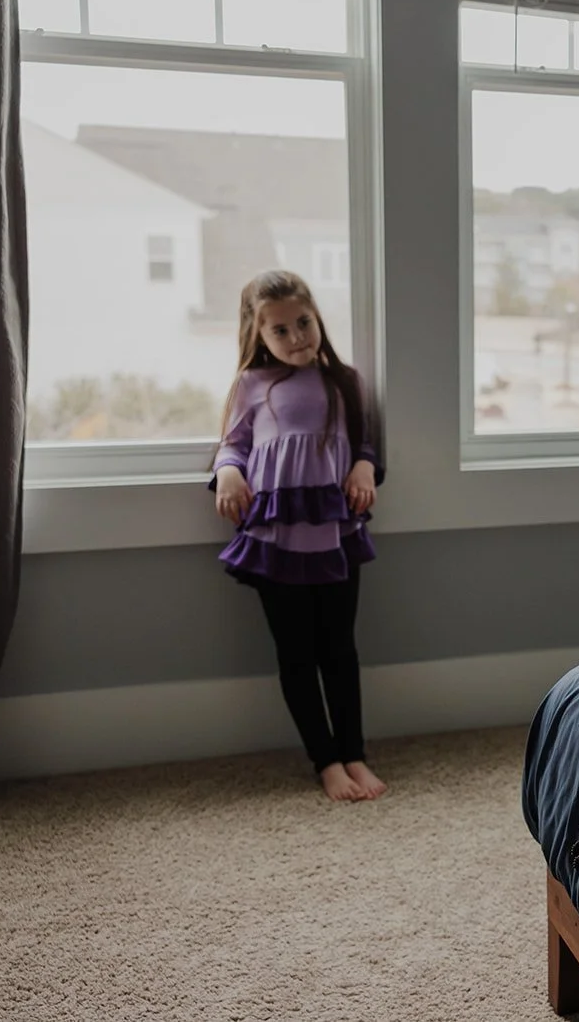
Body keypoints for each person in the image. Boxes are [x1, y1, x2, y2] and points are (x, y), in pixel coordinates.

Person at [211, 270, 388, 802]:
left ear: (317, 317)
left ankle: (353, 752)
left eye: (303, 323)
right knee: (296, 653)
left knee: (339, 648)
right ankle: (326, 762)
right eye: (280, 331)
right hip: (275, 537)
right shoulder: (251, 386)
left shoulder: (345, 381)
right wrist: (227, 471)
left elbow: (366, 444)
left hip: (334, 532)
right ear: (259, 335)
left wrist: (362, 466)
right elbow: (233, 444)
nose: (297, 338)